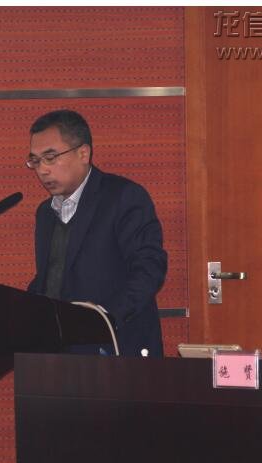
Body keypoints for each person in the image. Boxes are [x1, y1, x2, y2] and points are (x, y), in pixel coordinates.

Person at [25, 109, 167, 357]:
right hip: (59, 353)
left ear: (83, 153)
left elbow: (149, 269)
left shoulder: (123, 197)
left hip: (116, 348)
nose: (42, 170)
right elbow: (52, 277)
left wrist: (104, 318)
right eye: (35, 161)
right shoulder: (45, 213)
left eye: (50, 157)